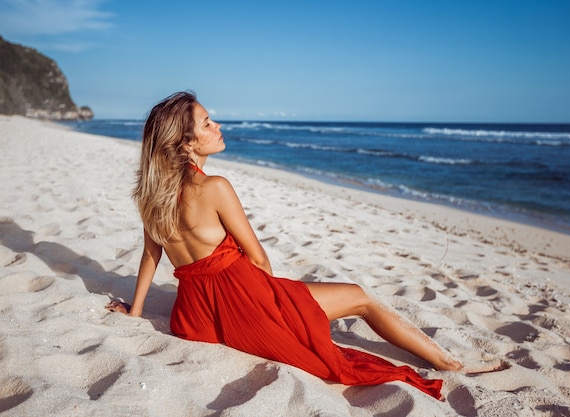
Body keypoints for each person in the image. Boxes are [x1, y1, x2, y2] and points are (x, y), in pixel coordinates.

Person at [106, 91, 506, 401]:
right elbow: (259, 258)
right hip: (244, 299)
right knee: (360, 297)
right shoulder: (215, 187)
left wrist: (135, 310)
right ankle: (448, 363)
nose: (218, 126)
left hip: (192, 318)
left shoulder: (149, 194)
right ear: (187, 143)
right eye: (208, 123)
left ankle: (444, 360)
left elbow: (151, 255)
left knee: (322, 299)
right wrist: (273, 306)